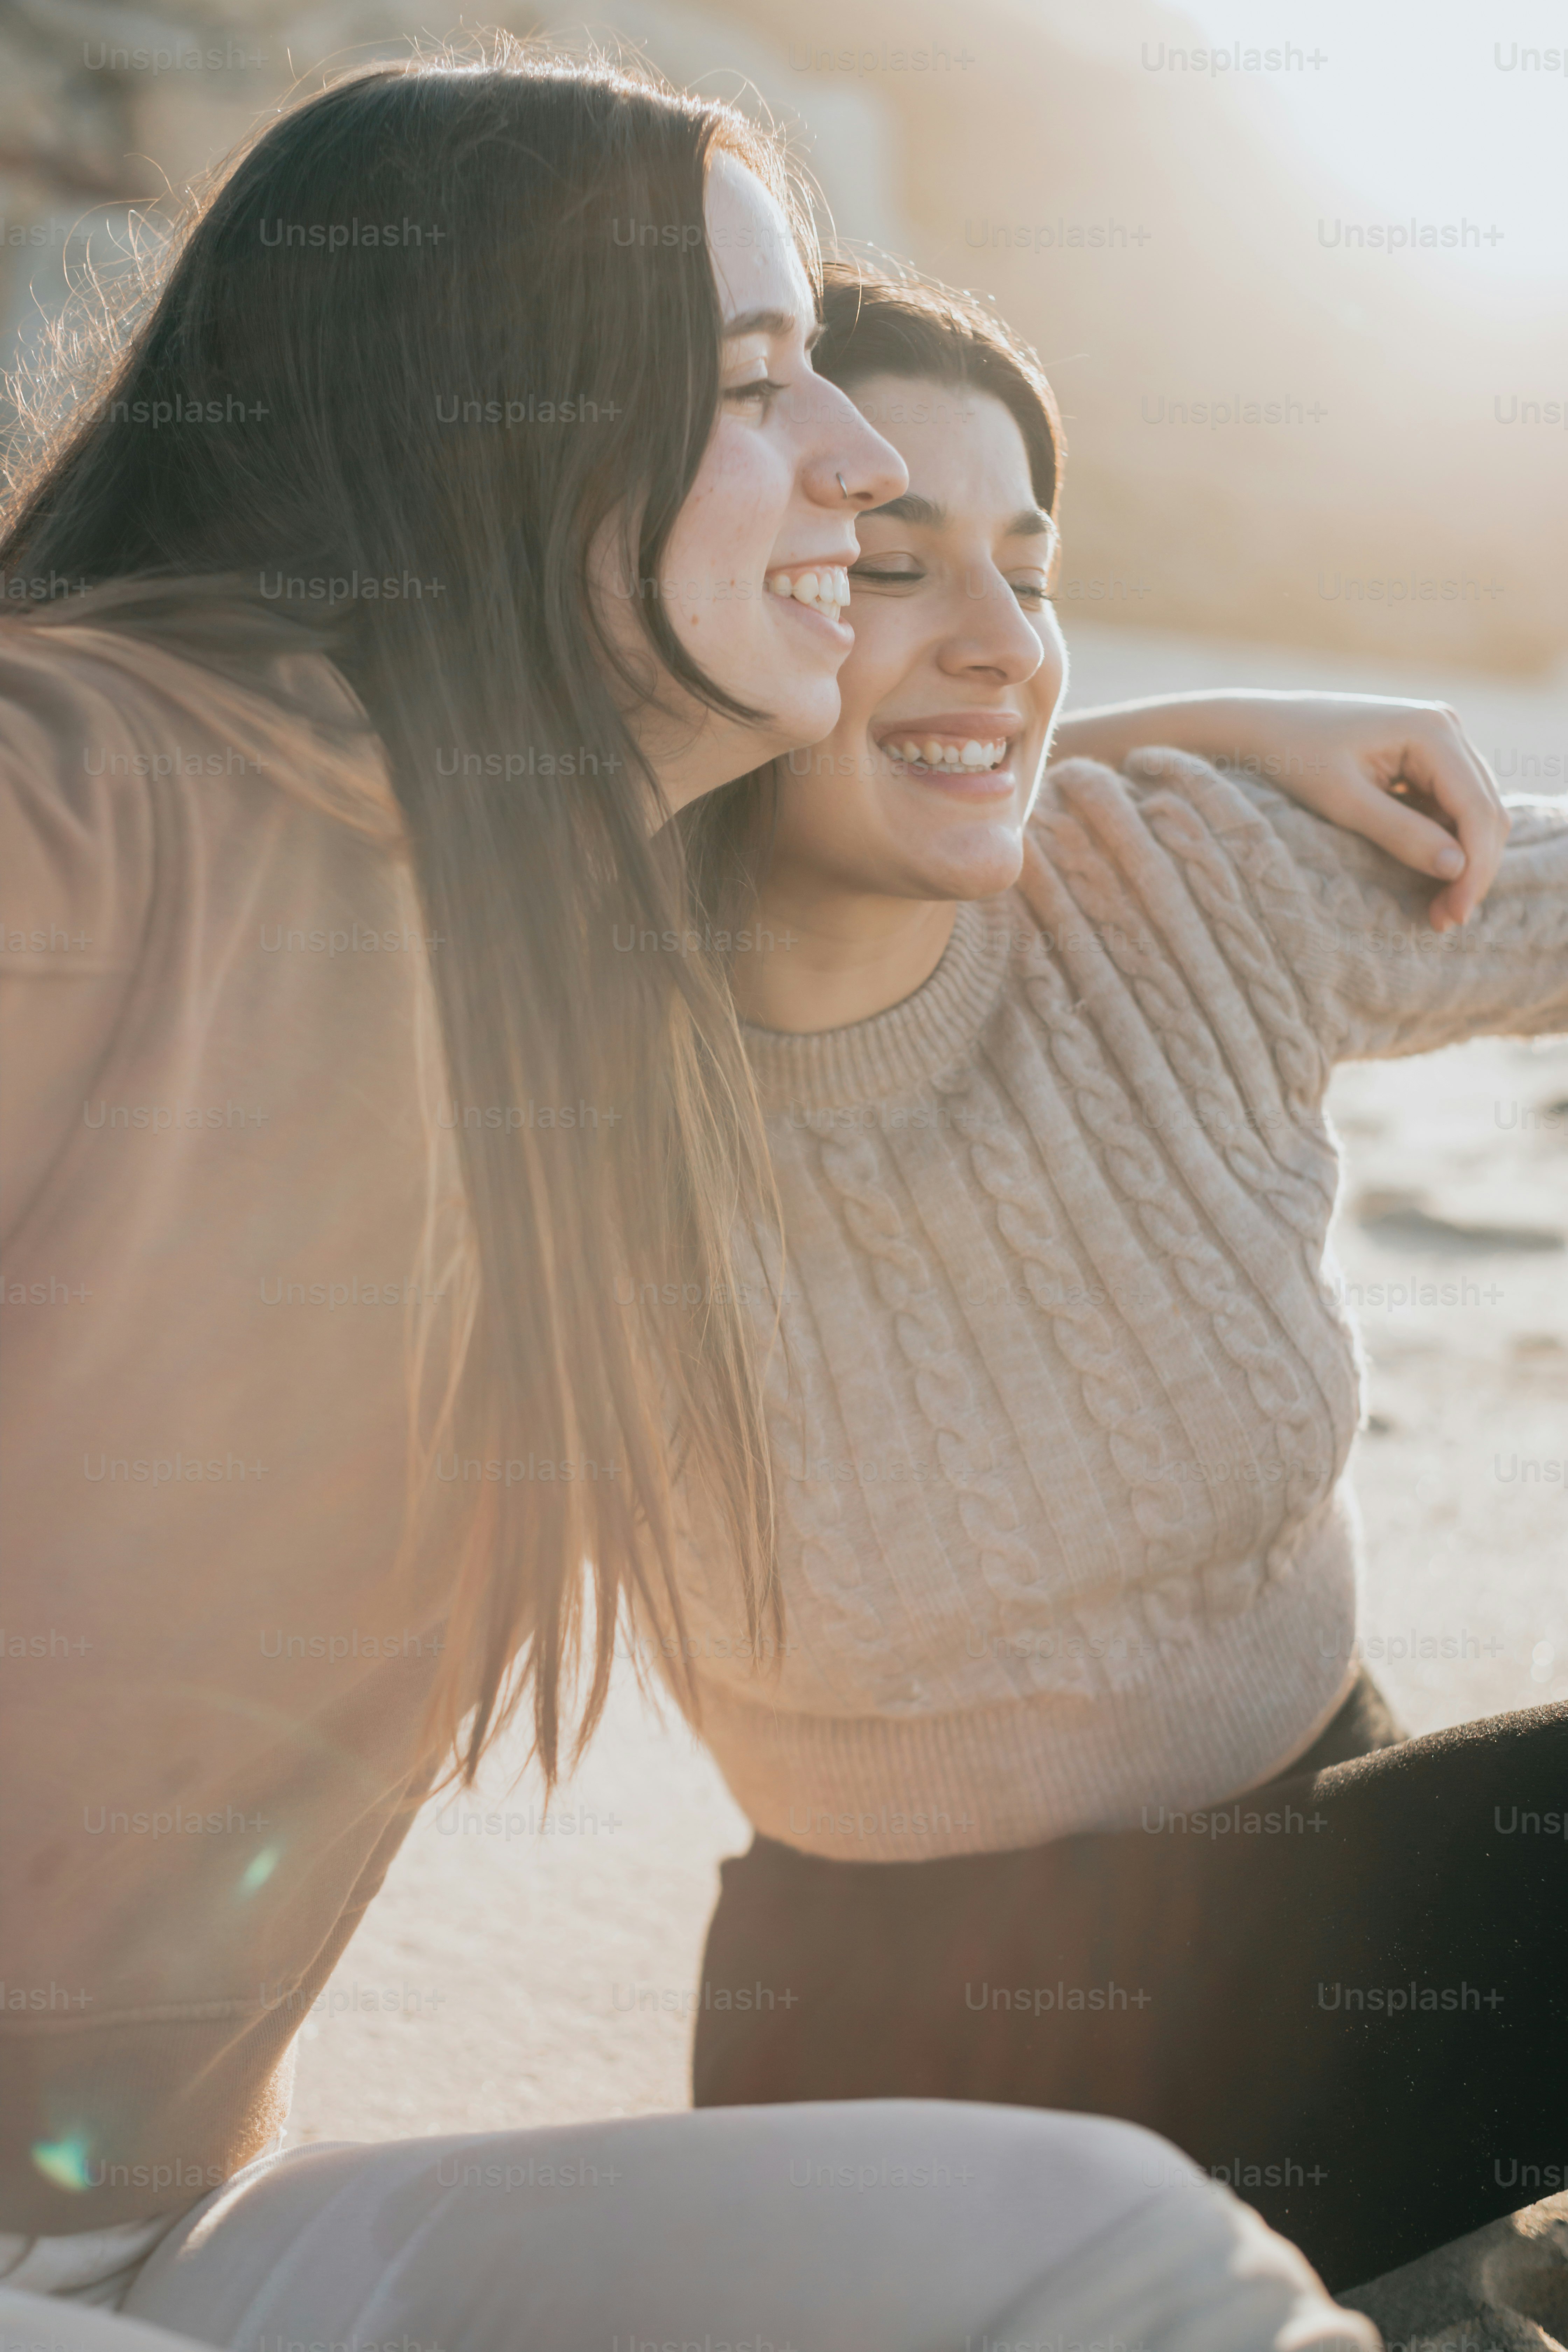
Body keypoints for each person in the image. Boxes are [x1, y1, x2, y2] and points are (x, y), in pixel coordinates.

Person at [0, 41, 1390, 2352]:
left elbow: (887, 817)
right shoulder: (94, 784)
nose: (853, 460)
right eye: (756, 384)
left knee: (1131, 2260)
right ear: (487, 426)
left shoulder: (559, 945)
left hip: (173, 2238)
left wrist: (1211, 741)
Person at [656, 262, 1568, 2294]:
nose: (1001, 638)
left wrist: (1187, 736)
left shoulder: (1168, 873)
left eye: (1033, 572)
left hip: (1364, 1886)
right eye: (888, 561)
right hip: (916, 2061)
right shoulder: (551, 1091)